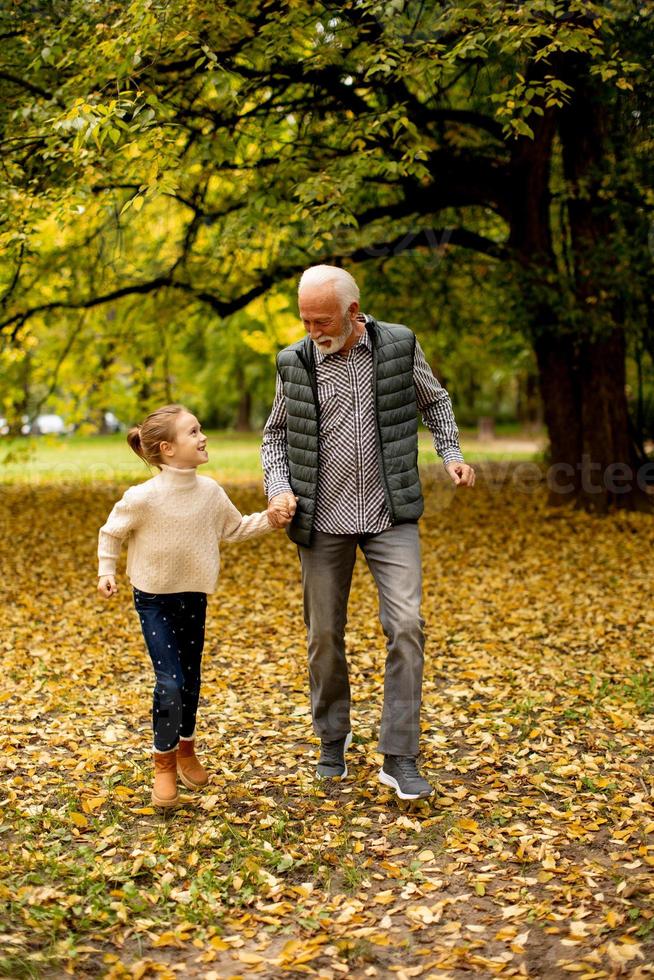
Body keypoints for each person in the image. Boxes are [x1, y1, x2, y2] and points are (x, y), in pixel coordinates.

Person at [262, 265, 475, 800]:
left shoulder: (399, 347)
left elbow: (436, 400)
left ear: (354, 313)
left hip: (390, 513)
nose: (313, 329)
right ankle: (333, 736)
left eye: (323, 319)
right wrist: (278, 488)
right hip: (322, 517)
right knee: (324, 636)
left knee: (407, 625)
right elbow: (275, 437)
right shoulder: (296, 361)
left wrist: (451, 454)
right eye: (305, 319)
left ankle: (399, 755)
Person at [97, 404, 289, 807]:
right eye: (193, 432)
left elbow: (234, 529)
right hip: (153, 597)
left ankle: (186, 749)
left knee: (190, 677)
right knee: (169, 680)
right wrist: (106, 571)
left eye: (200, 429)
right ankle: (163, 765)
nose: (203, 437)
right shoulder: (143, 497)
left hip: (193, 595)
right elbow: (111, 531)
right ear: (167, 448)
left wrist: (271, 519)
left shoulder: (210, 492)